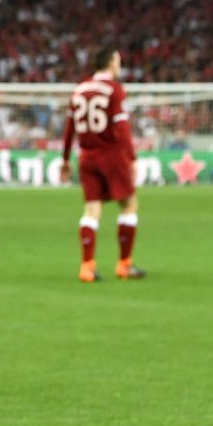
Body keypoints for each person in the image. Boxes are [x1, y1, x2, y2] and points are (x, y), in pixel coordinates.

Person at [59, 48, 144, 282]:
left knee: (91, 210)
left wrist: (65, 159)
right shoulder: (114, 90)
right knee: (128, 205)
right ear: (110, 63)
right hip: (111, 154)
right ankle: (124, 265)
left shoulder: (79, 90)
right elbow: (123, 127)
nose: (120, 65)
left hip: (86, 156)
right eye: (118, 61)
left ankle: (87, 267)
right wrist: (133, 158)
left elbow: (69, 129)